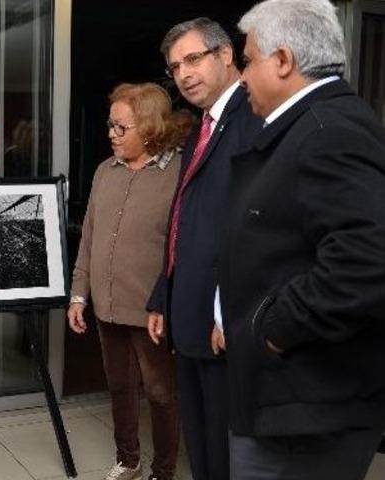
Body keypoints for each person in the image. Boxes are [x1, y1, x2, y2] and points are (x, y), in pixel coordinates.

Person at [218, 1, 385, 478]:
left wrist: (273, 329)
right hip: (290, 402)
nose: (242, 77)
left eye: (247, 61)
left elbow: (368, 260)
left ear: (284, 60)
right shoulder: (311, 126)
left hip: (304, 410)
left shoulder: (329, 130)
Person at [146, 18, 261, 480]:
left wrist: (228, 308)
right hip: (187, 313)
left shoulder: (252, 119)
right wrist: (163, 295)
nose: (184, 74)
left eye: (193, 59)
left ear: (227, 54)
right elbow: (185, 223)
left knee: (228, 453)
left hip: (224, 323)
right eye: (175, 67)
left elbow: (254, 228)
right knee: (202, 448)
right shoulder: (201, 129)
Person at [69, 82, 191, 480]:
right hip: (106, 304)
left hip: (151, 310)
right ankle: (128, 460)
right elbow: (89, 235)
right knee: (120, 387)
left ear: (150, 127)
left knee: (160, 393)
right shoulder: (106, 171)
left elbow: (185, 247)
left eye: (121, 128)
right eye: (110, 125)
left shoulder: (180, 174)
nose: (111, 134)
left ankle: (164, 470)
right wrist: (78, 294)